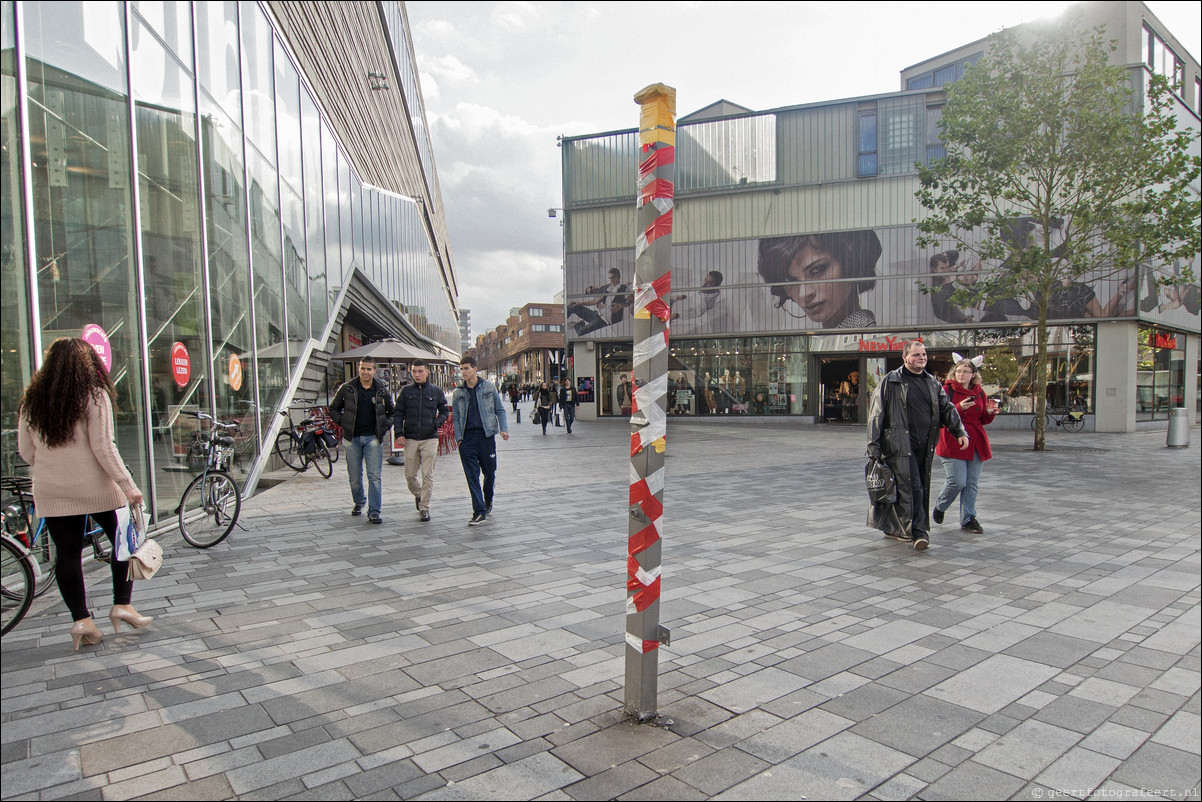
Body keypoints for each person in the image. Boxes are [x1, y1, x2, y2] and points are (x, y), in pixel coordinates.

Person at [16, 337, 152, 650]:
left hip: (51, 490)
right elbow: (104, 447)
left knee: (67, 554)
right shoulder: (94, 395)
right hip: (98, 488)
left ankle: (81, 621)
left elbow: (26, 452)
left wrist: (54, 465)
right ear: (88, 364)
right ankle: (122, 605)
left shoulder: (32, 401)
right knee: (122, 543)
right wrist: (128, 486)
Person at [866, 340, 969, 551]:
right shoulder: (890, 381)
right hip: (898, 445)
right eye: (916, 355)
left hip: (926, 444)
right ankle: (919, 533)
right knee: (913, 487)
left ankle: (894, 526)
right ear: (905, 358)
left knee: (914, 486)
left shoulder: (932, 382)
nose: (921, 358)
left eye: (923, 354)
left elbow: (947, 408)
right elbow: (876, 416)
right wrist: (874, 448)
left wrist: (958, 430)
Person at [758, 230, 881, 328]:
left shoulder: (864, 342)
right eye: (789, 280)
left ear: (851, 263)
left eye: (817, 270)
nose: (803, 293)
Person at [932, 357, 998, 534]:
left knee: (971, 483)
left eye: (965, 371)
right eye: (959, 371)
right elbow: (940, 416)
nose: (961, 374)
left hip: (976, 441)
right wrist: (959, 407)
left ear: (973, 374)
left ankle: (968, 519)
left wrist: (990, 413)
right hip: (953, 440)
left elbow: (982, 419)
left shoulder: (980, 392)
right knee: (957, 481)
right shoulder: (946, 390)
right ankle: (940, 505)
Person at [329, 356, 395, 524]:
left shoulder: (381, 389)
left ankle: (374, 511)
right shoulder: (348, 388)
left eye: (369, 369)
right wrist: (343, 422)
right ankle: (359, 502)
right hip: (352, 438)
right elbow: (333, 409)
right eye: (363, 368)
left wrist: (385, 426)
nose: (365, 372)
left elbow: (392, 412)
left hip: (373, 437)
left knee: (374, 476)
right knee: (355, 476)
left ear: (374, 370)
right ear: (359, 369)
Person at [452, 357, 509, 525]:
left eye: (466, 368)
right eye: (461, 369)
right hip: (467, 439)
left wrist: (503, 429)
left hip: (486, 437)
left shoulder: (489, 388)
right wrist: (459, 439)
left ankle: (488, 499)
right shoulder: (458, 393)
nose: (463, 372)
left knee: (489, 473)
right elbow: (456, 418)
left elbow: (500, 410)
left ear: (474, 369)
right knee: (472, 476)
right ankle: (479, 511)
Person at [393, 359, 450, 523]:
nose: (417, 374)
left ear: (427, 372)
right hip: (410, 437)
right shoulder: (405, 391)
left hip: (430, 438)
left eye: (420, 371)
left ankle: (425, 508)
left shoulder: (436, 391)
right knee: (410, 475)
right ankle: (418, 494)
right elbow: (398, 414)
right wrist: (399, 433)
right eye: (414, 371)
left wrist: (436, 423)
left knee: (428, 475)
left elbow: (444, 411)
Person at [567, 268, 632, 336]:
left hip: (602, 321)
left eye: (614, 277)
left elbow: (632, 301)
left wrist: (620, 305)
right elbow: (596, 301)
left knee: (581, 332)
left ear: (619, 277)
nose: (612, 280)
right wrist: (580, 303)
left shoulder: (624, 289)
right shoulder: (608, 289)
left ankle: (579, 324)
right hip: (595, 314)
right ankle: (560, 320)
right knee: (573, 306)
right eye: (610, 278)